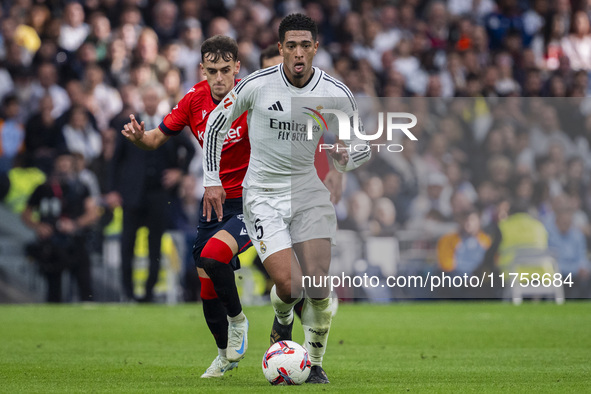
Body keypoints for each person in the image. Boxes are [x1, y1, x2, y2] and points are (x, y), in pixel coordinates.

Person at [202, 14, 371, 384]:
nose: (298, 52)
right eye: (290, 45)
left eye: (304, 45)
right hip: (262, 194)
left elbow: (362, 147)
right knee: (291, 287)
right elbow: (215, 122)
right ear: (280, 49)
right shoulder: (256, 85)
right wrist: (211, 180)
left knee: (318, 284)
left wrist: (346, 159)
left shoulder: (336, 93)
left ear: (315, 48)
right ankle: (282, 322)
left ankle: (314, 362)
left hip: (308, 191)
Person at [121, 36, 252, 378]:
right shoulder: (193, 100)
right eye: (212, 71)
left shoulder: (252, 96)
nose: (219, 78)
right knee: (206, 285)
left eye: (226, 70)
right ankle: (224, 355)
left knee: (213, 256)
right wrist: (139, 137)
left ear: (237, 68)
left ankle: (239, 321)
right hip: (213, 202)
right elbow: (155, 138)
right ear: (202, 70)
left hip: (252, 201)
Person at [110, 84, 195, 303]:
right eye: (146, 98)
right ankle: (128, 292)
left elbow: (191, 148)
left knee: (155, 244)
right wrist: (113, 190)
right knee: (127, 243)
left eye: (153, 98)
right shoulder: (127, 124)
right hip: (132, 194)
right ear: (141, 100)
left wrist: (179, 172)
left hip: (159, 194)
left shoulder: (169, 124)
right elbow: (115, 160)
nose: (150, 102)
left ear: (159, 100)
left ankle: (148, 292)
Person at [21, 151, 98, 302]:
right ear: (55, 165)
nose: (64, 166)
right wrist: (39, 226)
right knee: (54, 288)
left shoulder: (81, 187)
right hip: (52, 242)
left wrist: (75, 224)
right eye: (61, 163)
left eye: (67, 163)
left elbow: (93, 213)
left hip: (75, 240)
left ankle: (88, 313)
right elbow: (26, 213)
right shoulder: (43, 188)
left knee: (85, 285)